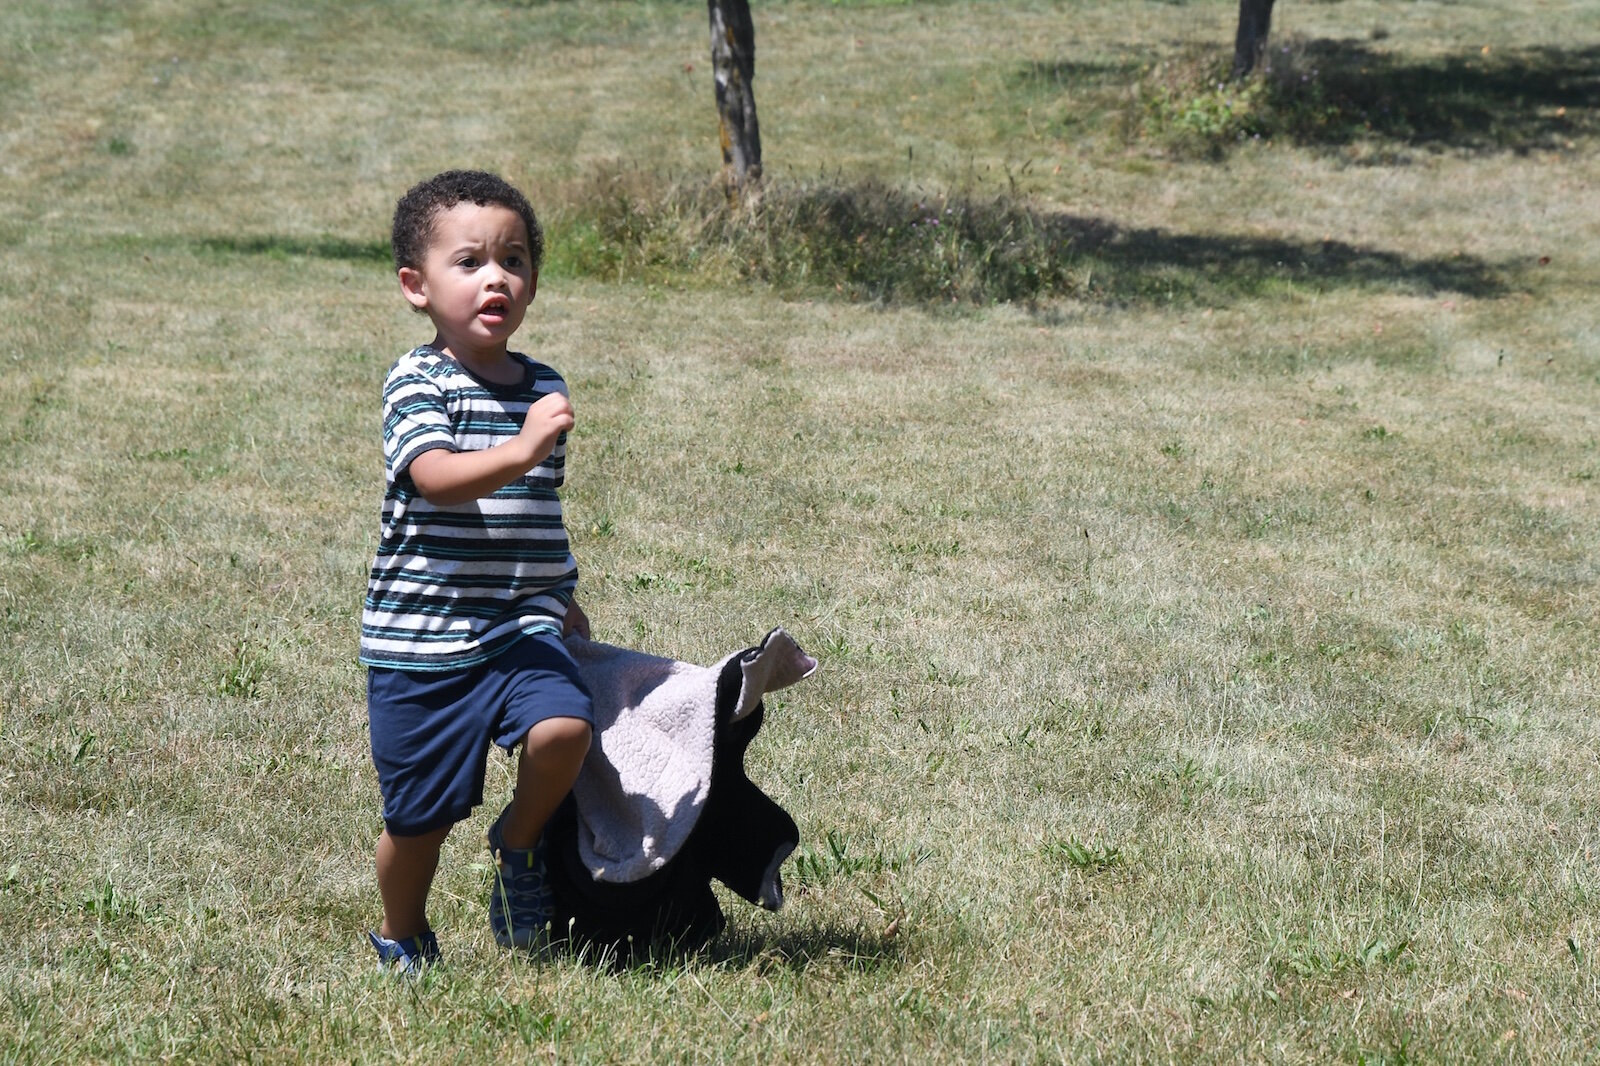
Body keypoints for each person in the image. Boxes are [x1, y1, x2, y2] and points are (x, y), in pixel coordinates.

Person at [359, 170, 594, 972]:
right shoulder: (416, 382)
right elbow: (434, 478)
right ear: (415, 287)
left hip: (517, 625)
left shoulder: (543, 386)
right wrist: (521, 445)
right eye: (470, 262)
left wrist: (561, 597)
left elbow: (538, 509)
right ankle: (403, 932)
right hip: (421, 644)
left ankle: (519, 845)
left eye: (515, 259)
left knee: (565, 727)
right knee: (417, 823)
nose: (497, 276)